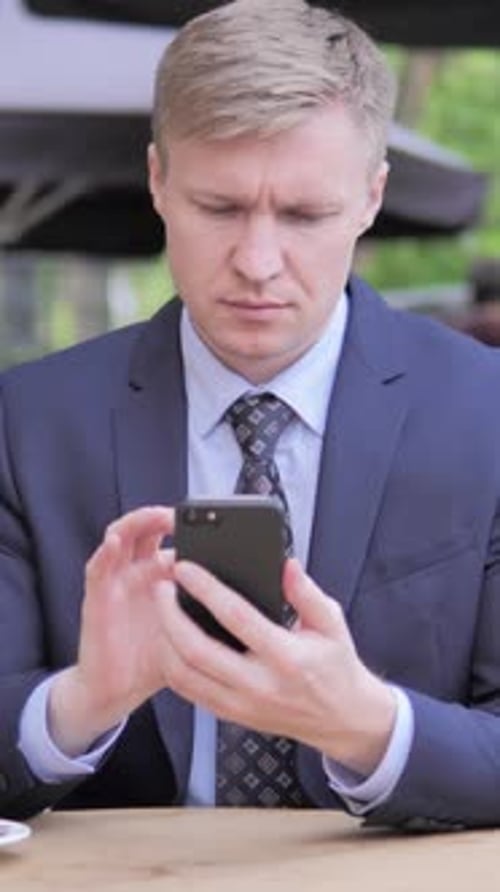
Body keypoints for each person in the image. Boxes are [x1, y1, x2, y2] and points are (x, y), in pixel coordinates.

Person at [1, 0, 500, 830]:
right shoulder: (28, 423)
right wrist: (82, 702)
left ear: (372, 196)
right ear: (158, 181)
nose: (259, 262)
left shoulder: (486, 412)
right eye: (220, 208)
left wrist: (370, 727)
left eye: (305, 215)